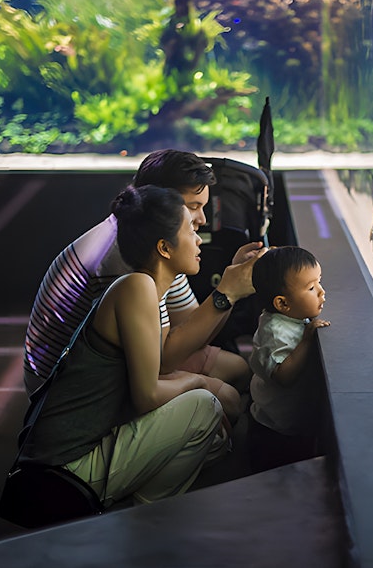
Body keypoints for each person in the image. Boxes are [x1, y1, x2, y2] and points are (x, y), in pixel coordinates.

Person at [20, 185, 230, 506]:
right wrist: (200, 381)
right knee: (205, 406)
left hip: (73, 452)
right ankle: (141, 525)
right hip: (66, 466)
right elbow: (146, 397)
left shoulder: (138, 285)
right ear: (164, 247)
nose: (199, 238)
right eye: (190, 230)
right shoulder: (137, 287)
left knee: (214, 439)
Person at [23, 150, 260, 404]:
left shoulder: (151, 236)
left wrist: (232, 279)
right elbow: (164, 359)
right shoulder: (128, 261)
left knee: (237, 370)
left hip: (109, 364)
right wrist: (227, 294)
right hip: (64, 389)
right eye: (193, 207)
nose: (202, 219)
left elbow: (191, 326)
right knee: (228, 393)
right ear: (160, 202)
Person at [247, 246, 330, 471]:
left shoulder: (291, 315)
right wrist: (306, 340)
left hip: (290, 422)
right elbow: (283, 376)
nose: (322, 292)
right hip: (274, 430)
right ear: (283, 304)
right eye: (312, 288)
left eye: (319, 282)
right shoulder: (275, 331)